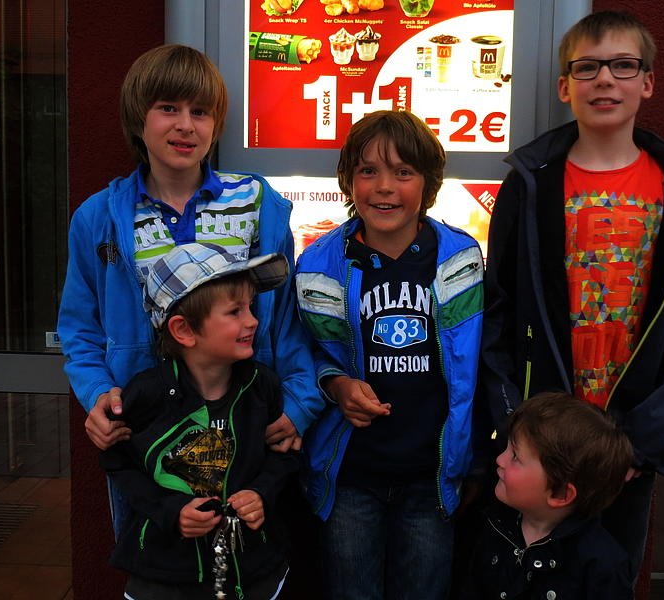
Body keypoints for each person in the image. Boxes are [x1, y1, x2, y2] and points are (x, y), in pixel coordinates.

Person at [478, 10, 664, 582]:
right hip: (539, 442)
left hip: (626, 444)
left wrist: (645, 441)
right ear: (564, 87)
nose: (605, 79)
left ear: (648, 82)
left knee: (607, 578)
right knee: (522, 579)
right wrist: (514, 424)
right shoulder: (530, 185)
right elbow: (498, 309)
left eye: (622, 65)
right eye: (587, 67)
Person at [57, 44, 320, 534]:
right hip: (147, 431)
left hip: (246, 421)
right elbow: (79, 328)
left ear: (216, 125)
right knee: (158, 555)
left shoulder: (256, 204)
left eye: (200, 112)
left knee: (246, 553)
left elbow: (286, 320)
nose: (185, 125)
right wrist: (96, 394)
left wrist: (301, 402)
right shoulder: (99, 217)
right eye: (168, 108)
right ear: (138, 118)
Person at [294, 109, 484, 599]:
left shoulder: (461, 258)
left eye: (403, 172)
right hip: (350, 476)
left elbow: (476, 362)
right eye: (368, 171)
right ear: (348, 180)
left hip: (431, 475)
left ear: (428, 183)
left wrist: (474, 461)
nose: (384, 187)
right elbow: (304, 352)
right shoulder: (318, 265)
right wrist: (335, 384)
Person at [100, 242, 299, 600]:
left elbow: (283, 454)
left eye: (250, 307)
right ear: (184, 330)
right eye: (235, 311)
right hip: (163, 578)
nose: (253, 320)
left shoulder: (262, 387)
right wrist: (170, 511)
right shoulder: (145, 396)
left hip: (252, 575)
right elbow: (118, 462)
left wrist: (261, 493)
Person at [462, 392, 634, 600]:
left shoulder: (603, 567)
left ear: (560, 493)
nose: (500, 459)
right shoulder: (495, 526)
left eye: (515, 456)